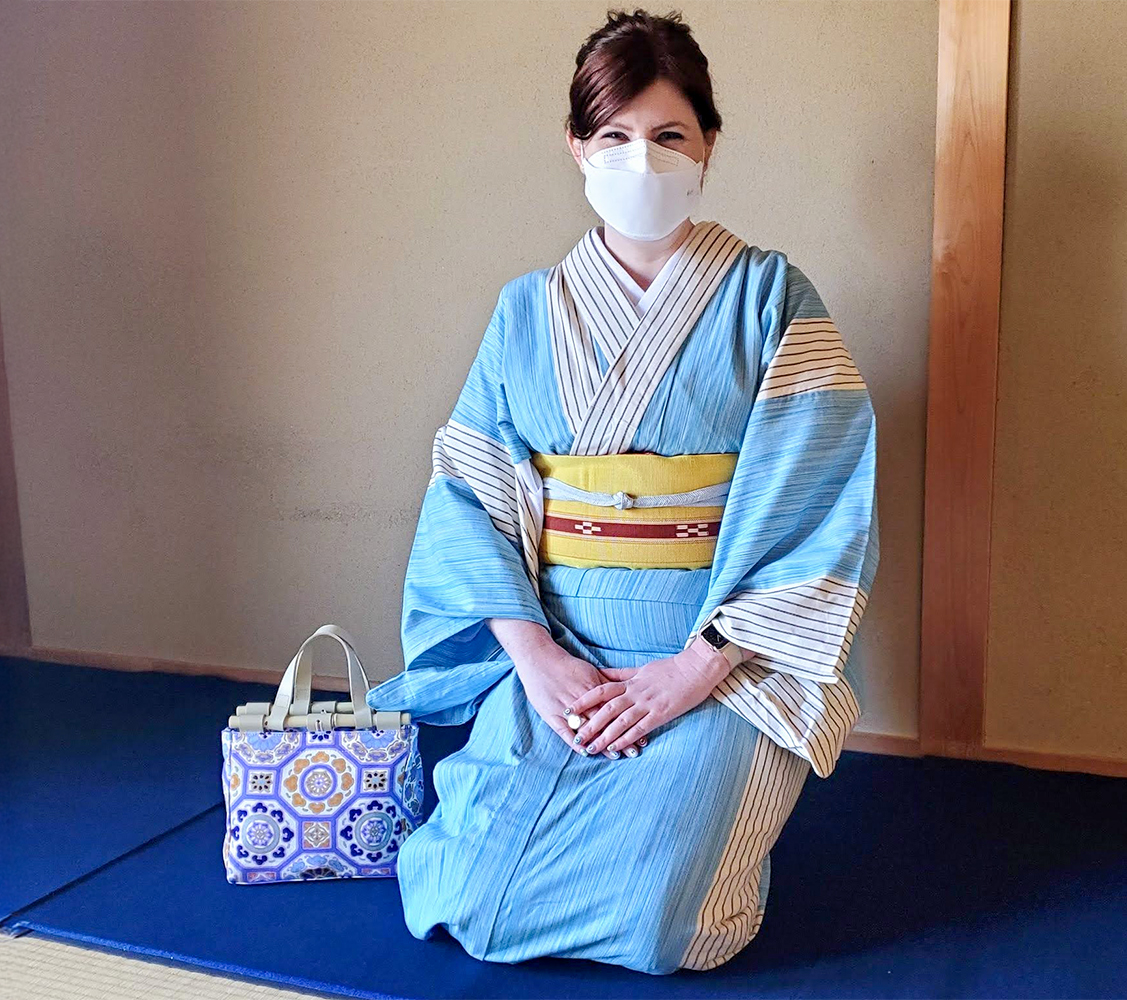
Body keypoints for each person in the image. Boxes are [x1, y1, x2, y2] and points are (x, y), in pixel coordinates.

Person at [367, 7, 880, 976]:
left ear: (708, 145)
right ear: (576, 146)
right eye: (614, 136)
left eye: (667, 136)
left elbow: (820, 499)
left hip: (721, 660)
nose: (640, 160)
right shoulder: (526, 310)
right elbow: (466, 495)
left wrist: (693, 669)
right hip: (561, 651)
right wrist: (537, 663)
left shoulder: (772, 297)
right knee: (464, 897)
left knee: (662, 915)